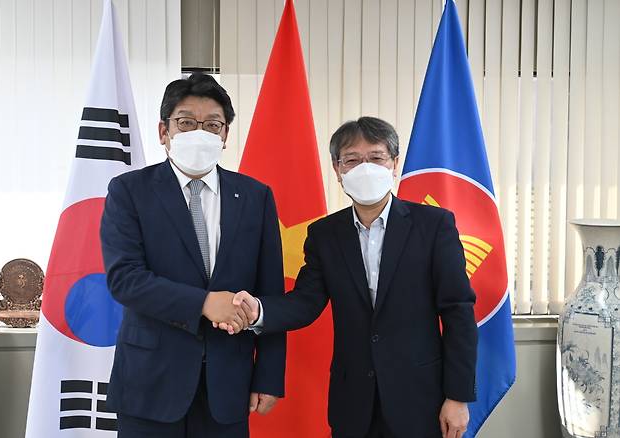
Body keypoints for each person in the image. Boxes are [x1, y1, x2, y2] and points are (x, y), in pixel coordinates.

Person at [220, 117, 477, 438]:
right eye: (352, 160)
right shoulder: (325, 234)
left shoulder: (433, 225)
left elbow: (458, 312)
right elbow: (305, 302)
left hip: (422, 398)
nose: (364, 167)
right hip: (353, 399)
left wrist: (457, 396)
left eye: (376, 157)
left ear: (394, 163)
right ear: (338, 170)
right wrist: (258, 311)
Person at [100, 73, 286, 438]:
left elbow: (270, 293)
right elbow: (125, 279)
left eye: (212, 124)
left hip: (228, 383)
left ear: (225, 135)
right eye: (186, 122)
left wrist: (268, 374)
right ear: (164, 131)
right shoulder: (130, 191)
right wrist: (203, 303)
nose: (199, 133)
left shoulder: (254, 196)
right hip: (150, 382)